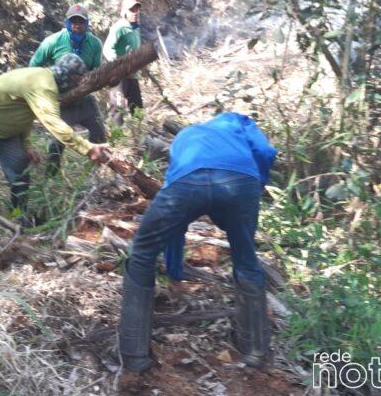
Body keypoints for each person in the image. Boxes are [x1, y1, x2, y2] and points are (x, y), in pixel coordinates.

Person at [117, 112, 277, 372]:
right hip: (241, 182)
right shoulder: (237, 121)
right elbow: (264, 150)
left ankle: (133, 357)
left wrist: (174, 270)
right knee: (246, 259)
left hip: (188, 181)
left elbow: (175, 220)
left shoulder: (185, 135)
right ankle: (255, 352)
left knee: (143, 252)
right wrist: (257, 186)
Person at [0, 54, 112, 226]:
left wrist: (27, 146)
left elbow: (25, 111)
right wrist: (88, 148)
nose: (78, 84)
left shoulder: (43, 79)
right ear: (65, 75)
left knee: (20, 173)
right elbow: (52, 122)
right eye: (76, 79)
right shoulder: (43, 86)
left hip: (6, 131)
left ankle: (19, 219)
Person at [29, 4, 107, 175]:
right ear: (67, 23)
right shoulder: (53, 41)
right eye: (73, 21)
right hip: (62, 101)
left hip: (84, 99)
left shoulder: (94, 44)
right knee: (57, 142)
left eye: (81, 21)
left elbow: (96, 72)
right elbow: (33, 67)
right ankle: (51, 177)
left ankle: (98, 175)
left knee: (99, 134)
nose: (77, 25)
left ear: (87, 24)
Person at [103, 0, 143, 122]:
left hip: (133, 74)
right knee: (117, 107)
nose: (135, 12)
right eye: (132, 9)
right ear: (124, 11)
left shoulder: (135, 28)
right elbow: (107, 49)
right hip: (119, 75)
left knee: (137, 107)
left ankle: (140, 136)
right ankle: (115, 139)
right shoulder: (119, 27)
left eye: (136, 9)